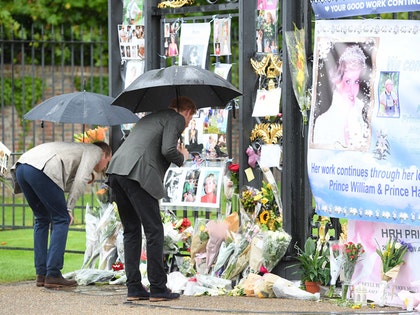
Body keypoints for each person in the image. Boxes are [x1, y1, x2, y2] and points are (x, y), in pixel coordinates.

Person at [106, 96, 196, 302]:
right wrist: (183, 157)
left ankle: (134, 287)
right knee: (154, 229)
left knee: (131, 231)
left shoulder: (151, 118)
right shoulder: (176, 118)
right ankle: (157, 288)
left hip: (117, 171)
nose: (188, 123)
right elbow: (168, 150)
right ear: (188, 111)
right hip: (137, 173)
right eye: (191, 117)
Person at [10, 141, 112, 288]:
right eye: (107, 161)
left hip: (22, 167)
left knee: (42, 219)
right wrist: (69, 208)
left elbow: (58, 182)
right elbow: (80, 179)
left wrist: (83, 177)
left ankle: (41, 274)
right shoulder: (95, 150)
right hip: (42, 168)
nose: (105, 167)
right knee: (62, 219)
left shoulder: (77, 149)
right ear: (105, 154)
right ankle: (53, 274)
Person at [313, 45, 370, 150]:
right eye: (348, 81)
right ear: (338, 81)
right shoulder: (323, 122)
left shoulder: (363, 119)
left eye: (356, 81)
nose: (352, 89)